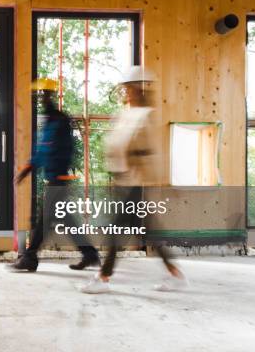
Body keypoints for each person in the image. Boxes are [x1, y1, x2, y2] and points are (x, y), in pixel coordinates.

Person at [79, 66, 188, 293]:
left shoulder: (145, 115)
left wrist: (136, 170)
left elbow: (147, 152)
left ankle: (104, 277)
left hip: (134, 183)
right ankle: (175, 274)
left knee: (114, 233)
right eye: (125, 88)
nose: (127, 92)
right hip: (123, 182)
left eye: (130, 88)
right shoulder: (126, 114)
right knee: (150, 232)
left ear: (141, 88)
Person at [9, 78, 100, 272]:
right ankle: (90, 254)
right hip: (54, 178)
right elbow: (42, 150)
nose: (40, 100)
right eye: (38, 97)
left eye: (42, 96)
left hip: (57, 179)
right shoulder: (50, 120)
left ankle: (30, 258)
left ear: (49, 96)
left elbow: (58, 150)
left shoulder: (59, 120)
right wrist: (28, 168)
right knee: (64, 218)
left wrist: (36, 170)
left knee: (44, 221)